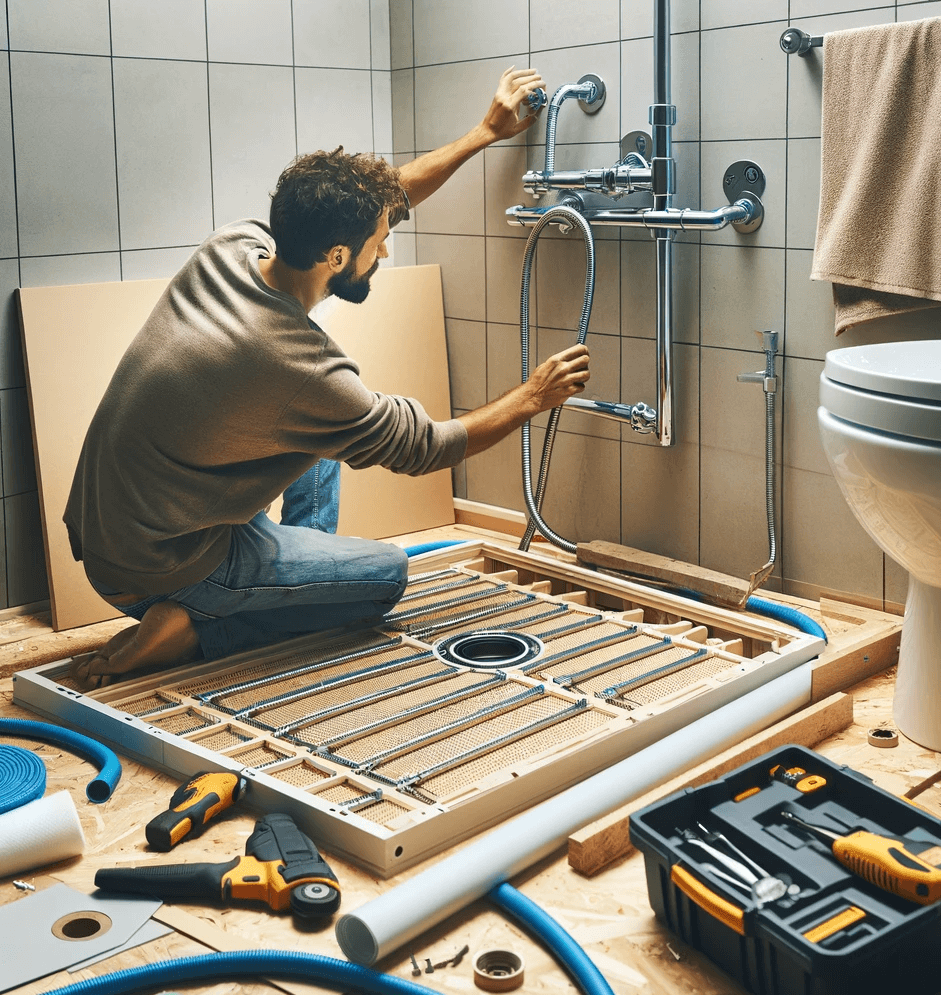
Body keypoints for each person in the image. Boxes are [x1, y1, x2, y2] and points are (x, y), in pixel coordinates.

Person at [65, 67, 590, 689]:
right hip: (164, 565)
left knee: (316, 444)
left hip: (121, 525)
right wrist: (533, 395)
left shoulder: (232, 248)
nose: (387, 251)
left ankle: (274, 583)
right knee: (384, 576)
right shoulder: (299, 369)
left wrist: (484, 133)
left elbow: (382, 198)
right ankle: (196, 625)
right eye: (379, 241)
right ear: (337, 257)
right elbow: (429, 447)